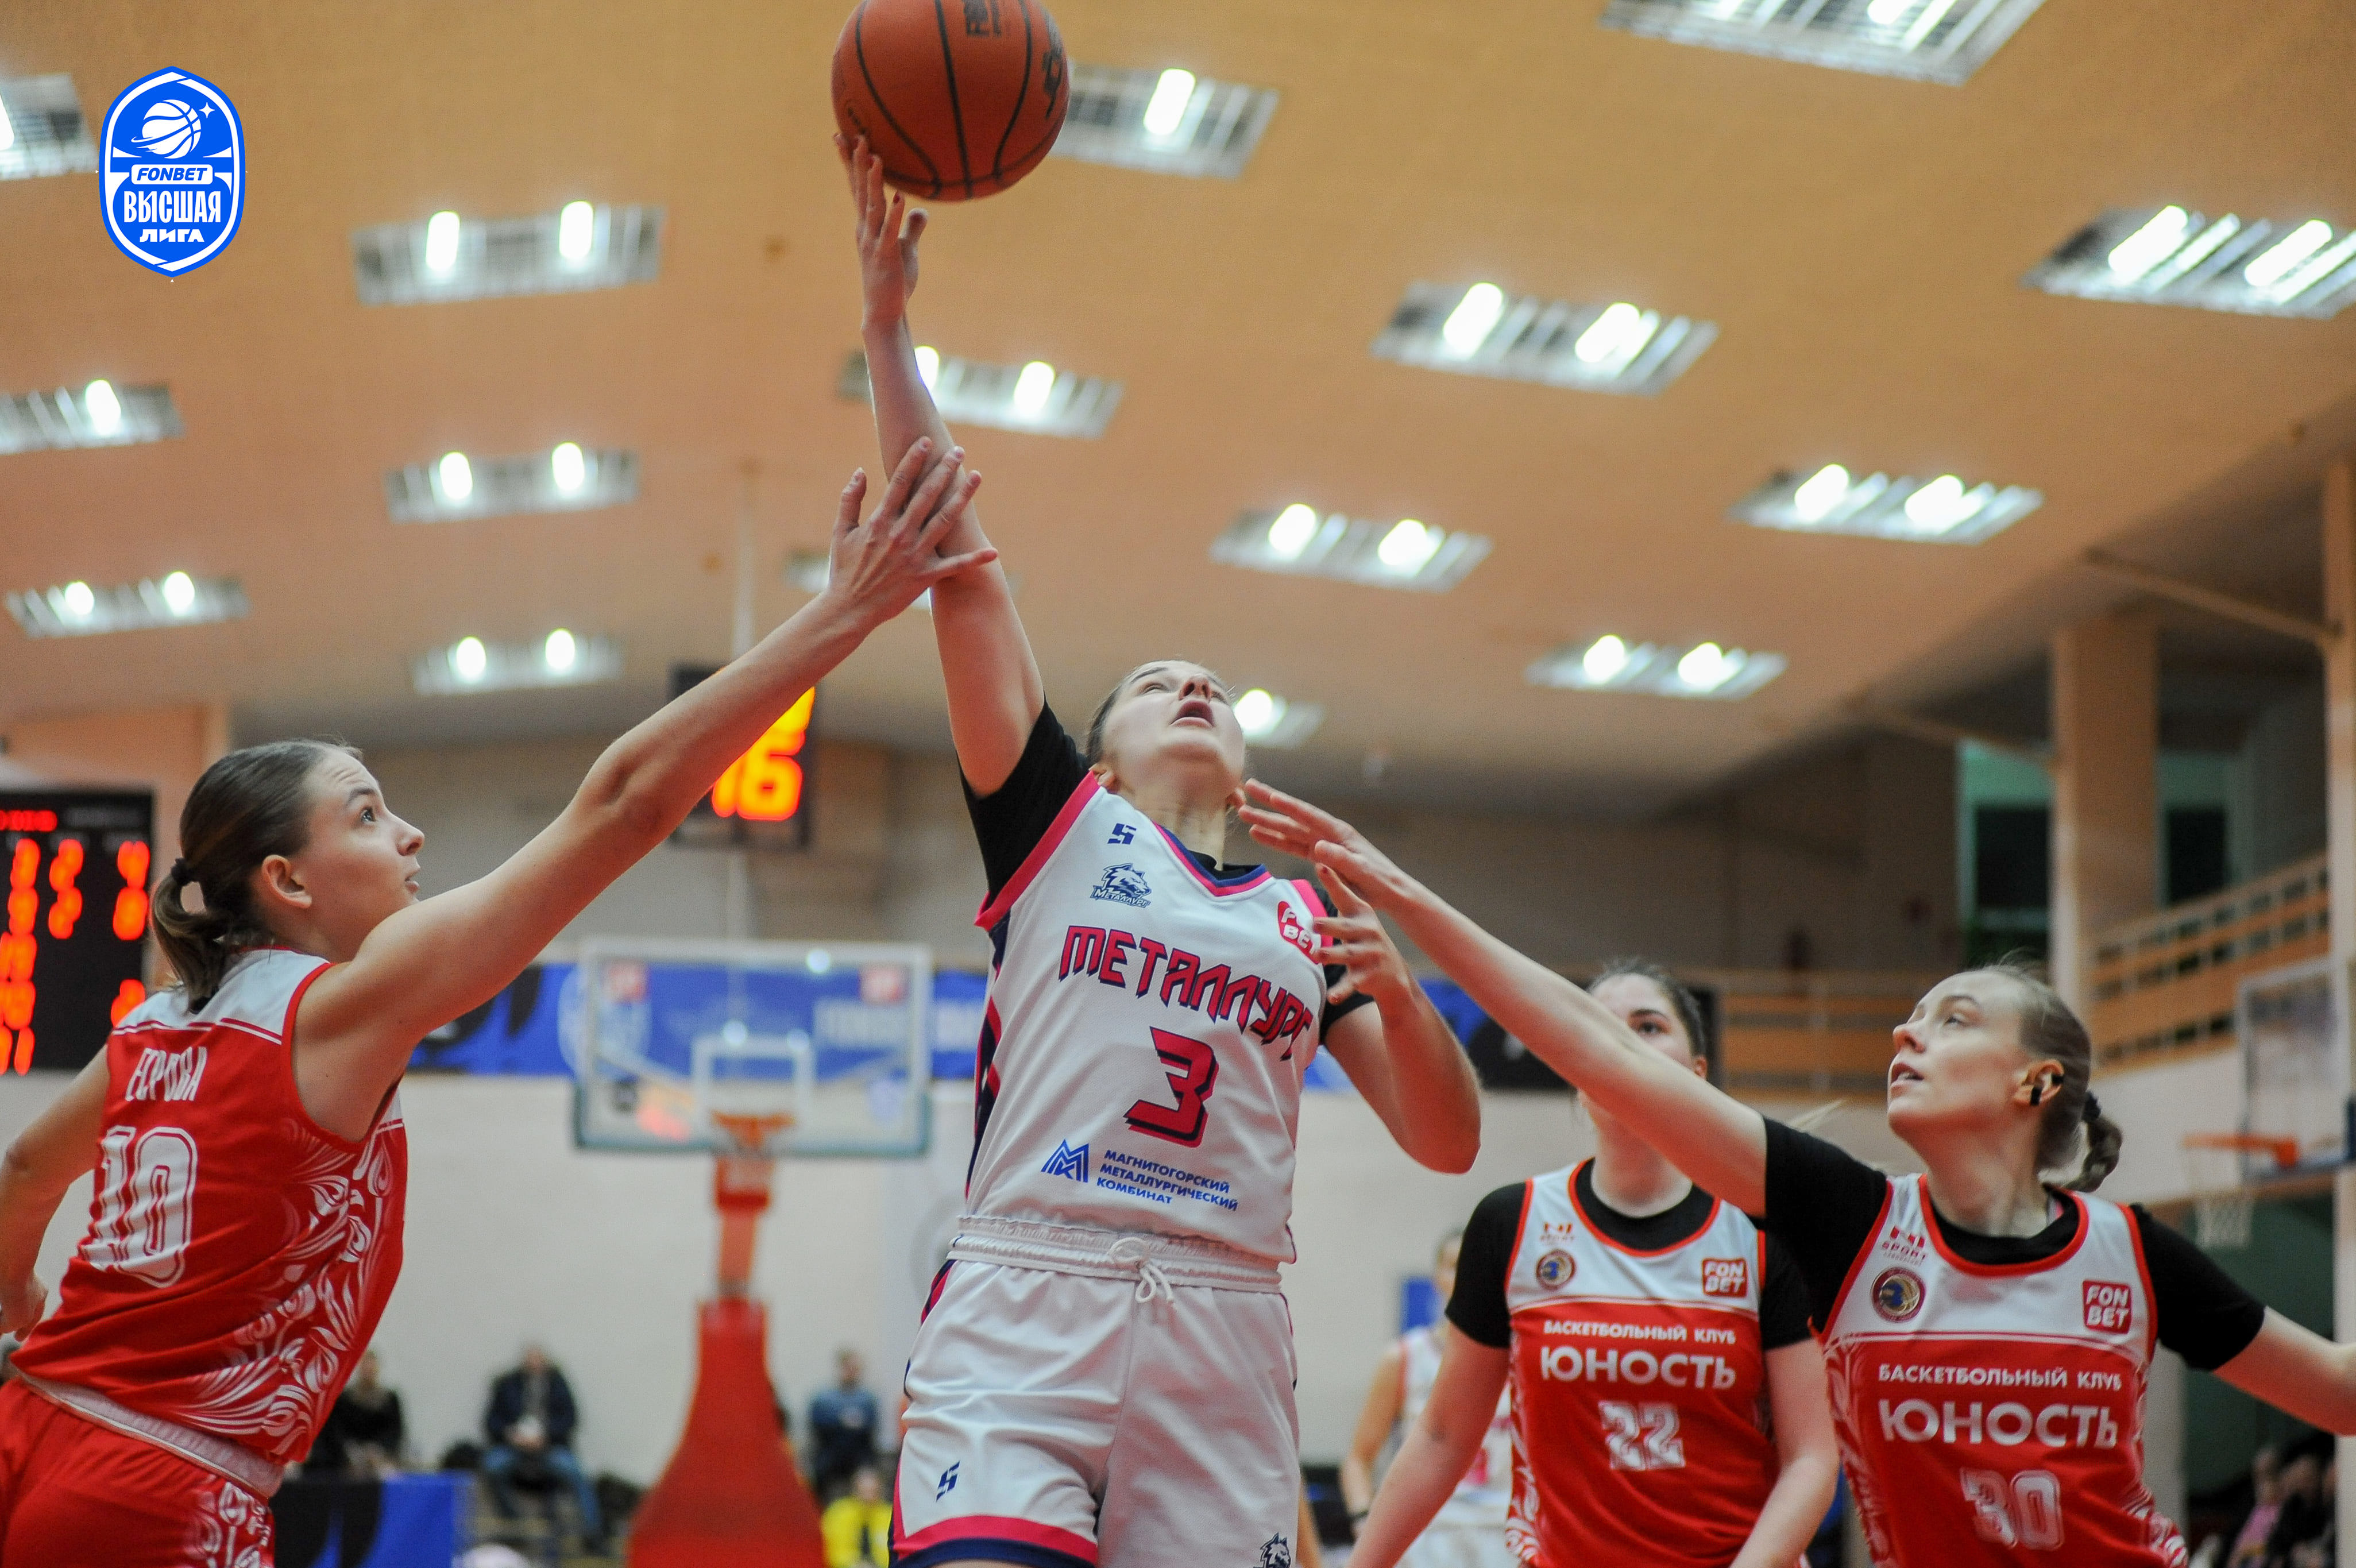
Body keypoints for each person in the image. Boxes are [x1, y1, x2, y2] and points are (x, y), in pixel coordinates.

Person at [0, 443, 991, 1566]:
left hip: (28, 1422)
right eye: (367, 816)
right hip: (155, 1487)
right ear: (288, 884)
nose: (410, 834)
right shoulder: (342, 1006)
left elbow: (26, 1171)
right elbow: (623, 804)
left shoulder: (150, 1028)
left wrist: (19, 1284)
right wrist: (842, 614)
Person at [836, 135, 1485, 1568]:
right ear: (1101, 759)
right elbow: (963, 568)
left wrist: (1406, 989)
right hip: (1030, 1295)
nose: (1195, 684)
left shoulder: (1308, 918)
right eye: (1155, 682)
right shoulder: (1055, 826)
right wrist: (888, 333)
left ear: (1245, 762)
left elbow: (1447, 1143)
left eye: (1218, 688)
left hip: (1224, 1331)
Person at [1241, 780, 2356, 1567]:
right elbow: (1599, 1051)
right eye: (1908, 1017)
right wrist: (1402, 895)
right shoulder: (1852, 1222)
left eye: (1953, 1018)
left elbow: (2339, 1396)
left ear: (2036, 1082)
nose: (1906, 1034)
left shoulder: (2131, 1253)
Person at [1351, 961, 1839, 1568]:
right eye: (1596, 1027)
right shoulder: (1513, 1224)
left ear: (1697, 1073)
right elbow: (1442, 1436)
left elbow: (1811, 1458)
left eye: (1648, 1027)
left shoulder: (1761, 1233)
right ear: (1573, 1065)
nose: (1619, 1046)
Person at [1339, 1233, 1515, 1568]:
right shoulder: (1405, 1356)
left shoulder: (1525, 1357)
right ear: (1436, 1277)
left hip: (1503, 1532)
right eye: (1455, 1266)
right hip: (1427, 1534)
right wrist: (1364, 1521)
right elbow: (1358, 1458)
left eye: (1478, 1266)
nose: (1467, 1276)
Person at [481, 1345, 602, 1547]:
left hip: (549, 1446)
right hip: (514, 1446)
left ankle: (593, 1532)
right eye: (530, 1360)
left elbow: (570, 1419)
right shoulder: (508, 1385)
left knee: (576, 1473)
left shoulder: (558, 1385)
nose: (534, 1365)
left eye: (538, 1360)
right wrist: (510, 1434)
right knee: (493, 1466)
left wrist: (547, 1436)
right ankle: (513, 1524)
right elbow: (491, 1421)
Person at [308, 1349, 406, 1479]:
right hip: (349, 1458)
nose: (368, 1371)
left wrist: (379, 1450)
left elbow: (395, 1432)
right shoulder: (345, 1399)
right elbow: (337, 1431)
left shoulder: (389, 1399)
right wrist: (351, 1452)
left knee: (390, 1475)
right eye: (365, 1366)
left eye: (372, 1367)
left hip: (381, 1457)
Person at [809, 1347, 881, 1502]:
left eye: (855, 1368)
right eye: (849, 1368)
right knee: (817, 1473)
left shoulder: (867, 1399)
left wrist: (843, 1422)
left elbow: (869, 1426)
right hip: (831, 1453)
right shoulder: (824, 1398)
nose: (852, 1372)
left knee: (868, 1473)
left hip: (859, 1454)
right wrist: (843, 1422)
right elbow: (818, 1424)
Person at [823, 1463, 896, 1568]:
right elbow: (836, 1551)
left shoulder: (889, 1515)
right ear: (855, 1491)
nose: (868, 1498)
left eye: (873, 1492)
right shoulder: (839, 1513)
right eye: (864, 1492)